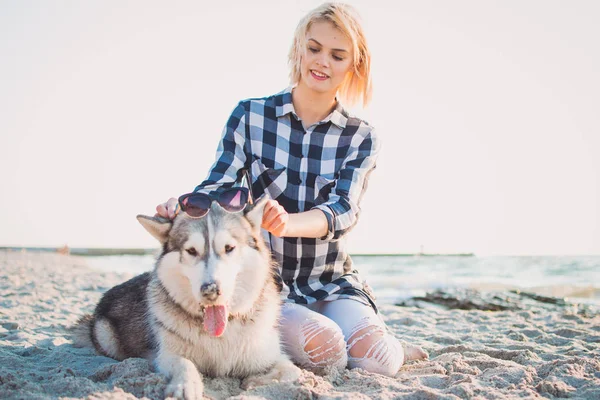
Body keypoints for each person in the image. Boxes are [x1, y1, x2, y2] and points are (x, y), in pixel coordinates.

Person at [156, 2, 427, 377]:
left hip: (332, 281)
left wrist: (288, 222)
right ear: (298, 48)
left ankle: (381, 337)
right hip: (270, 289)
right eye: (314, 48)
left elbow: (343, 211)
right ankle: (346, 339)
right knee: (328, 352)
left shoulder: (361, 137)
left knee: (379, 360)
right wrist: (184, 206)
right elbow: (220, 183)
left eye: (337, 55)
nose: (322, 62)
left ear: (353, 65)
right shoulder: (250, 116)